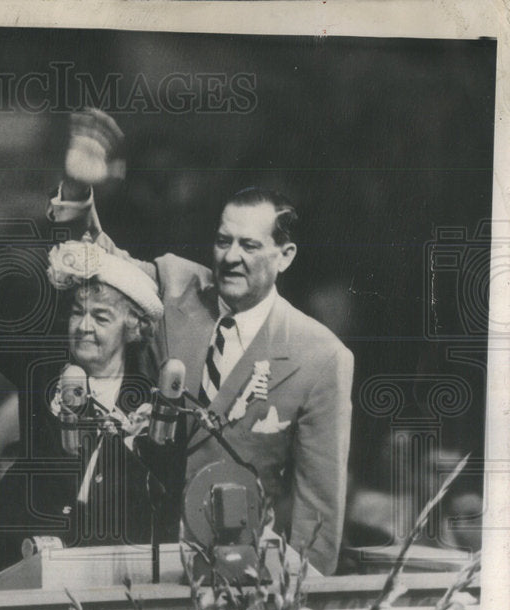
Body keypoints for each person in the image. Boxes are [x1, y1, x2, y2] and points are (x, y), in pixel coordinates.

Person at [51, 110, 354, 575]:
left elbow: (319, 512)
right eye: (223, 241)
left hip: (242, 576)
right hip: (142, 559)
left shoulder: (320, 356)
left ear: (285, 256)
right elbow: (94, 264)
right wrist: (77, 189)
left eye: (249, 246)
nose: (231, 257)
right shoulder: (174, 285)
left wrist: (297, 603)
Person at [0, 139, 166, 574]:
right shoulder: (43, 367)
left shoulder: (154, 400)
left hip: (108, 573)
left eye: (101, 316)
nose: (83, 326)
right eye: (78, 312)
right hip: (17, 561)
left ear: (134, 327)